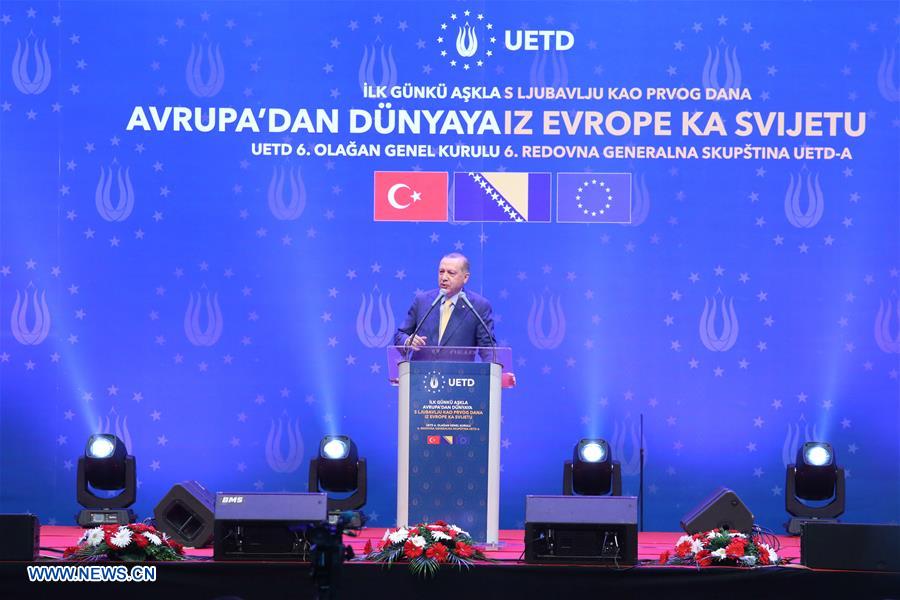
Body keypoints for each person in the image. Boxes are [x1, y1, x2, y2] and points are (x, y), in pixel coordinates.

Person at [393, 253, 495, 353]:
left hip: (458, 370)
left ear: (465, 278)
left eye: (451, 273)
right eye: (441, 272)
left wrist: (497, 369)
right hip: (421, 369)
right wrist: (408, 341)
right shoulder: (422, 301)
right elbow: (400, 335)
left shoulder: (479, 306)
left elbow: (489, 349)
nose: (444, 278)